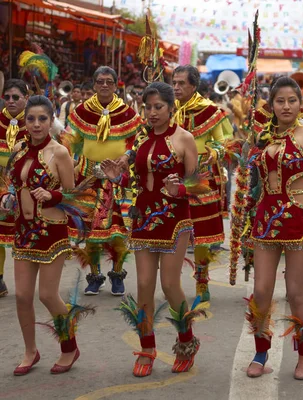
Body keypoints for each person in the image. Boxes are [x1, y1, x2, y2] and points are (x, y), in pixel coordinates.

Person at [101, 82, 200, 377]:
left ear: (171, 107)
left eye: (158, 107)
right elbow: (138, 181)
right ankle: (147, 348)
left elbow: (198, 183)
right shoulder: (140, 140)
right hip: (143, 218)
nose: (152, 112)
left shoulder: (185, 139)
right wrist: (116, 178)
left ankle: (185, 343)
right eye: (148, 107)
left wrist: (179, 188)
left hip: (174, 218)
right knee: (143, 284)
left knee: (170, 285)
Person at [244, 77, 303, 380]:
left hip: (300, 222)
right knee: (261, 291)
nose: (286, 106)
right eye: (280, 101)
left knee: (295, 293)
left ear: (300, 102)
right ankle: (260, 352)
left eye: (292, 100)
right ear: (272, 104)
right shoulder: (262, 136)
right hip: (266, 220)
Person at [8, 96, 94, 376]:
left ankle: (69, 347)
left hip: (51, 232)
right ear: (25, 120)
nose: (35, 124)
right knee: (22, 296)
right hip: (23, 230)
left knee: (47, 294)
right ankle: (30, 351)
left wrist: (53, 194)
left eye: (42, 119)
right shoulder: (19, 149)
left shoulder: (60, 153)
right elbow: (13, 185)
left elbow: (75, 196)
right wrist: (7, 199)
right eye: (30, 119)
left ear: (51, 120)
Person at [67, 66, 143, 296]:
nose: (104, 85)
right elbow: (74, 140)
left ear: (116, 85)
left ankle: (117, 276)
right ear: (94, 84)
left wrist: (126, 156)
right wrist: (69, 160)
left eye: (109, 81)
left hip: (117, 178)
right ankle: (95, 276)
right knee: (90, 232)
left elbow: (136, 141)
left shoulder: (128, 113)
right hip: (88, 177)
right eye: (100, 81)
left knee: (118, 231)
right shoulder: (81, 111)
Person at [172, 64, 233, 302]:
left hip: (202, 178)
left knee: (202, 234)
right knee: (174, 231)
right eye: (174, 83)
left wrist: (214, 152)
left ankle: (201, 281)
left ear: (194, 86)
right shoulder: (166, 108)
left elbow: (225, 141)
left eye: (181, 84)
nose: (176, 88)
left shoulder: (211, 111)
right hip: (172, 178)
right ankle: (172, 282)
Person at [0, 79, 29, 297]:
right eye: (7, 96)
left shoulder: (34, 121)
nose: (10, 101)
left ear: (26, 98)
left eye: (15, 97)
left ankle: (26, 283)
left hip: (24, 184)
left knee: (24, 232)